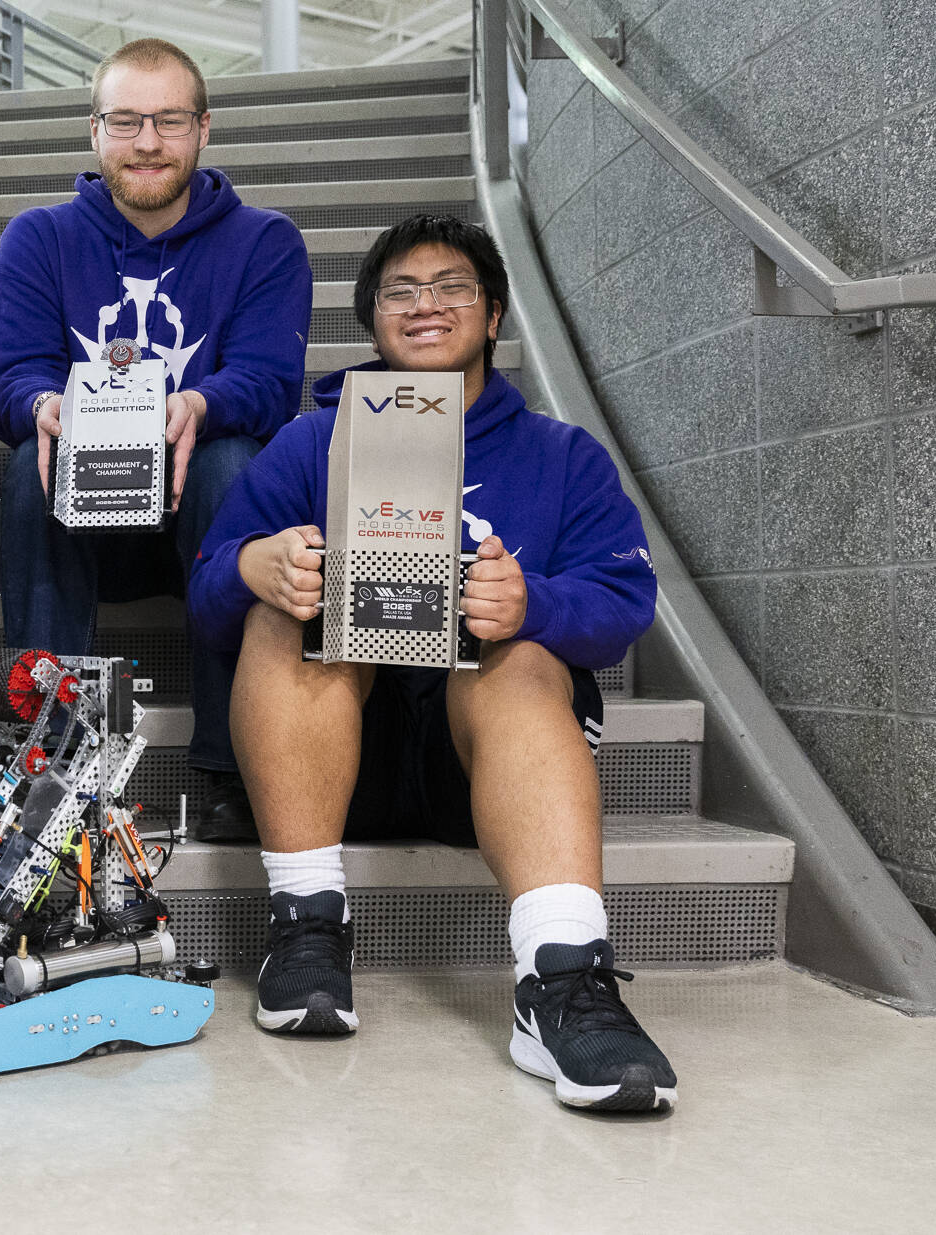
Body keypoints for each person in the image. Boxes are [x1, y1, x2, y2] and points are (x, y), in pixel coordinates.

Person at [188, 213, 675, 1112]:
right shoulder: (310, 443)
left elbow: (623, 605)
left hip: (488, 761)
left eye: (452, 286)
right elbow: (208, 588)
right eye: (400, 292)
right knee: (284, 614)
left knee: (519, 652)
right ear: (372, 319)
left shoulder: (564, 454)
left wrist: (534, 605)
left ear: (492, 314)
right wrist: (255, 565)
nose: (425, 306)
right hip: (334, 763)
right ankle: (306, 925)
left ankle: (563, 978)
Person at [0, 37, 310, 838]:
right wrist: (41, 405)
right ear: (95, 131)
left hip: (203, 521)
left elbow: (269, 381)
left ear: (203, 128)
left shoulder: (264, 241)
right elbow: (6, 374)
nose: (148, 141)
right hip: (83, 521)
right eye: (126, 121)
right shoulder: (39, 237)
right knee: (29, 462)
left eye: (169, 120)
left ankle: (233, 765)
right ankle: (51, 756)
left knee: (232, 459)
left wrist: (198, 401)